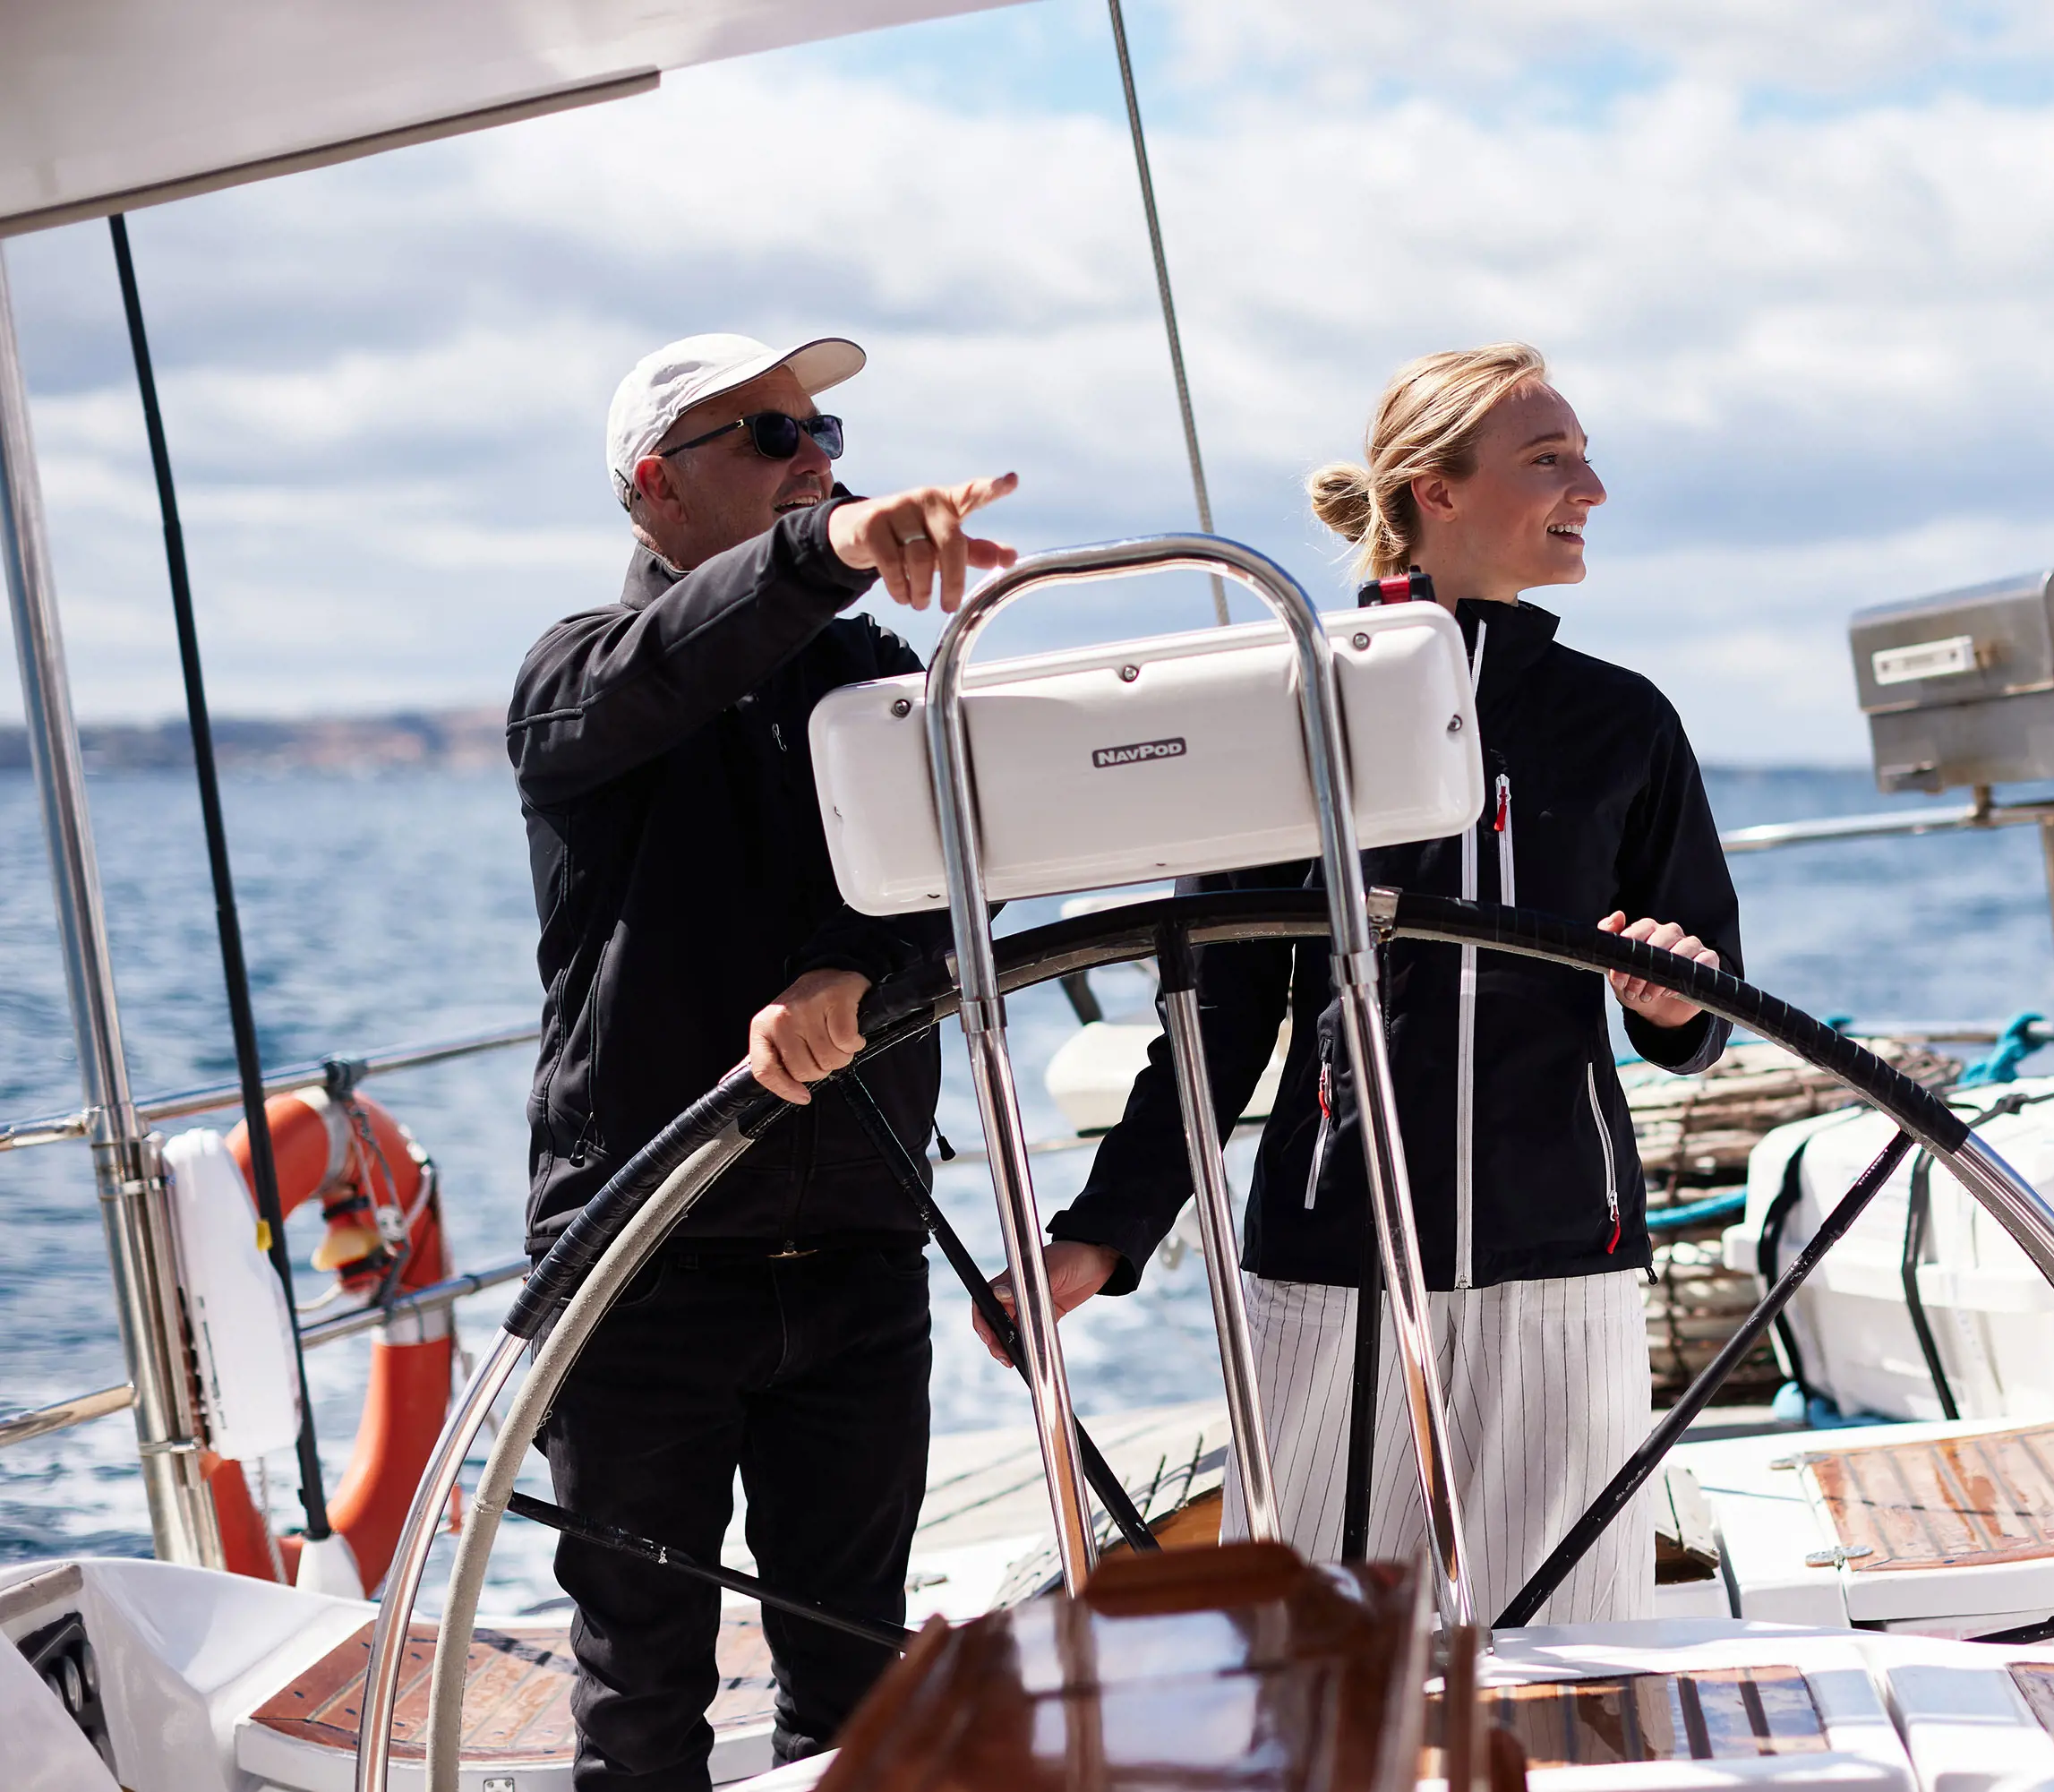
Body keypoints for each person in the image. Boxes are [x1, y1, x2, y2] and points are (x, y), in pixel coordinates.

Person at [996, 342, 1742, 1624]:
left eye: (1585, 454)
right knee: (1313, 1668)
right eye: (1550, 459)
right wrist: (1102, 1236)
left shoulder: (1624, 724)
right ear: (1434, 491)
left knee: (1568, 1664)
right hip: (1331, 1265)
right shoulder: (1285, 713)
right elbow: (1215, 1023)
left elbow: (1709, 993)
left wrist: (1676, 1005)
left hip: (1568, 1257)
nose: (1594, 488)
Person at [509, 331, 1014, 1789]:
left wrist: (859, 971)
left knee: (858, 1693)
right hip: (640, 1266)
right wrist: (838, 546)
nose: (816, 456)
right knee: (640, 1695)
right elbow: (668, 666)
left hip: (858, 1255)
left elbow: (964, 907)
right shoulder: (577, 678)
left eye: (828, 433)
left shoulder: (877, 675)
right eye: (773, 437)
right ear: (654, 487)